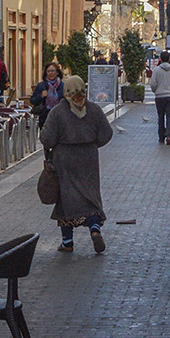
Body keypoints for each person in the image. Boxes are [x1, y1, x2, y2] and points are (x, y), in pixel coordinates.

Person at [39, 73, 112, 254]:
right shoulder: (94, 109)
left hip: (64, 159)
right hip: (89, 158)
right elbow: (106, 134)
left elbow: (46, 138)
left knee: (66, 198)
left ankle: (67, 241)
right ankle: (94, 228)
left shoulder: (57, 112)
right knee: (90, 194)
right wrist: (93, 144)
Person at [148, 51, 170, 146]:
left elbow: (153, 83)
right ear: (169, 59)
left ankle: (161, 136)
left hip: (160, 96)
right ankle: (169, 135)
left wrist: (156, 91)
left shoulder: (157, 70)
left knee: (161, 116)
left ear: (161, 59)